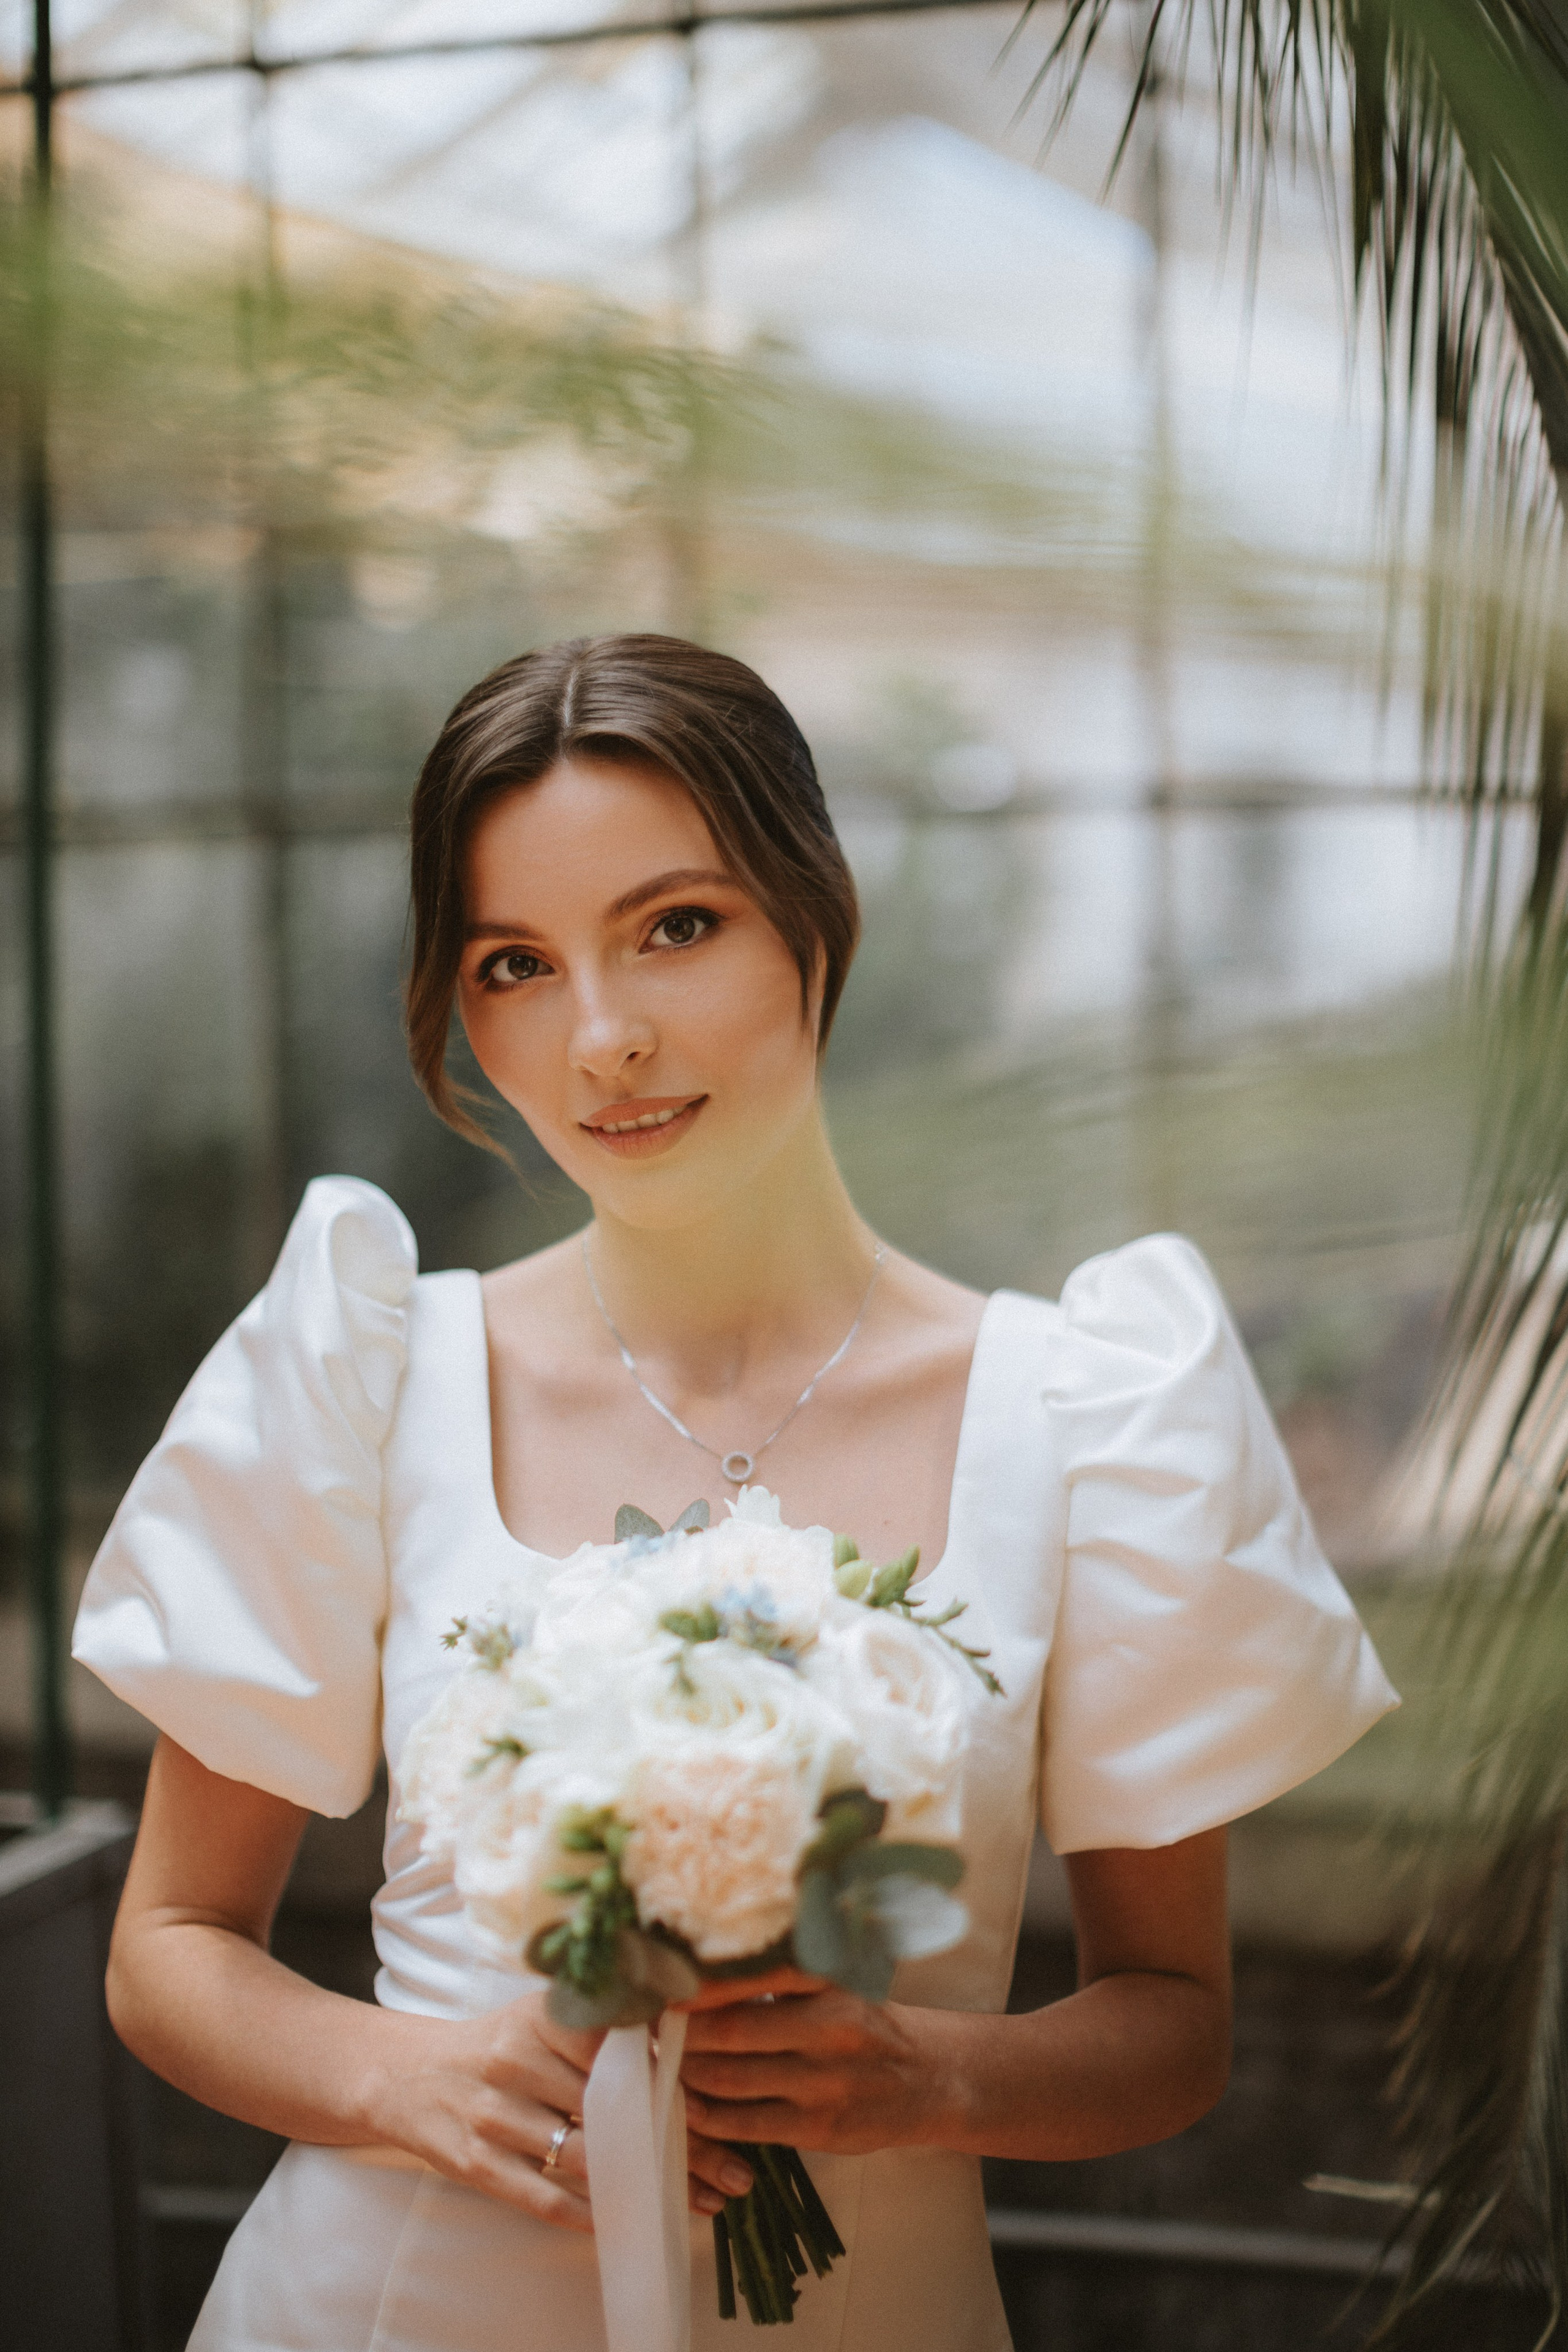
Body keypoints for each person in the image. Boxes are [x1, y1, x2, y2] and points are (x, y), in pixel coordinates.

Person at [74, 633, 1398, 2351]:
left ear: (813, 916)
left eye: (675, 927)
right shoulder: (370, 1372)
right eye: (515, 964)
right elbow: (169, 1943)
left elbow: (1172, 2020)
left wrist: (929, 2078)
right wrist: (409, 2077)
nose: (602, 1038)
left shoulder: (1088, 1412)